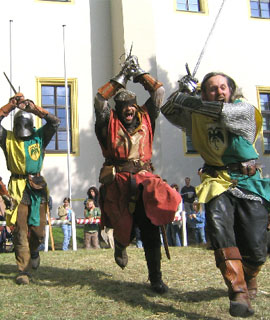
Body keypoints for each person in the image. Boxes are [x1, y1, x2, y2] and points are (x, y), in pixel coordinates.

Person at [161, 71, 270, 317]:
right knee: (221, 234)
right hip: (216, 181)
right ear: (204, 92)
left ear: (231, 90)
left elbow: (217, 112)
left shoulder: (244, 111)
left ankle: (250, 275)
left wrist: (185, 97)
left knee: (256, 249)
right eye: (212, 88)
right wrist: (179, 89)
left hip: (248, 182)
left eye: (223, 87)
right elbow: (168, 110)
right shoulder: (198, 114)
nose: (219, 92)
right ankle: (238, 292)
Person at [94, 54, 181, 294]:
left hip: (145, 183)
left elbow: (158, 93)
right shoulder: (107, 121)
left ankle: (155, 278)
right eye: (124, 106)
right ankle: (121, 244)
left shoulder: (146, 117)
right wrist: (121, 77)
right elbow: (100, 100)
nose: (129, 109)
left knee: (151, 226)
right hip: (119, 182)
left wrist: (140, 73)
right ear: (119, 109)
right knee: (125, 228)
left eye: (132, 104)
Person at [0, 93, 60, 284]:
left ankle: (34, 251)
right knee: (20, 230)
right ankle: (23, 271)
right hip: (17, 188)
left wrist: (34, 109)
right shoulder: (7, 139)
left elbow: (55, 122)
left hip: (37, 187)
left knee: (38, 232)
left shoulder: (39, 136)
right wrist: (11, 105)